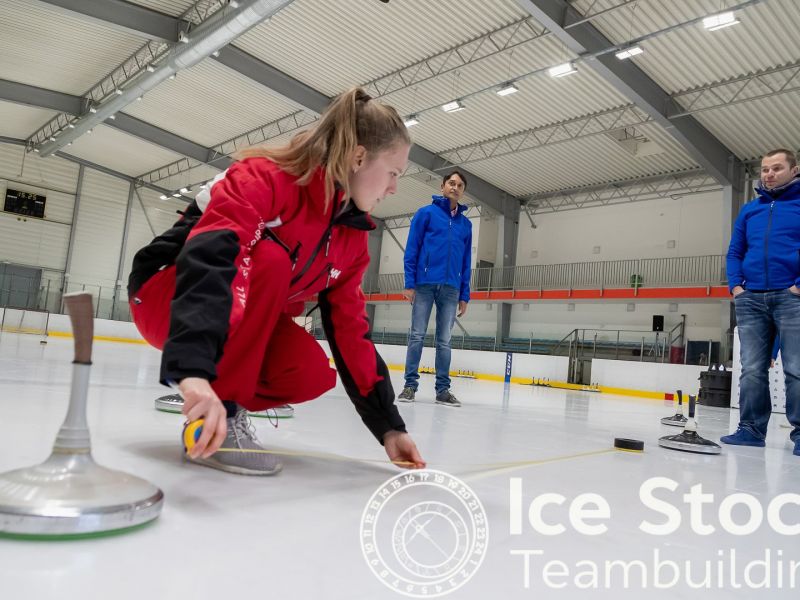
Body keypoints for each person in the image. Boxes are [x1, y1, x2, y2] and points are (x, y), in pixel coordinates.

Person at [128, 87, 426, 475]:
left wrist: (389, 427)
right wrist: (193, 372)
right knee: (270, 258)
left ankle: (218, 404)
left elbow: (352, 332)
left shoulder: (352, 241)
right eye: (393, 173)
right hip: (167, 294)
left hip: (240, 318)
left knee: (309, 372)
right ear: (357, 157)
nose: (393, 188)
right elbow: (212, 260)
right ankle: (225, 412)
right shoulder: (267, 179)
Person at [722, 148, 800, 457]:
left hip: (791, 297)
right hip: (750, 297)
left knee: (796, 368)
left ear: (794, 170)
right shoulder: (750, 210)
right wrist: (736, 287)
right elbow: (734, 252)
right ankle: (751, 431)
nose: (769, 174)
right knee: (752, 369)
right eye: (765, 169)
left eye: (777, 168)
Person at [397, 171, 472, 407]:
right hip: (424, 284)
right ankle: (410, 386)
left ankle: (443, 390)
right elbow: (412, 249)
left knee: (445, 341)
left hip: (451, 288)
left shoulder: (466, 224)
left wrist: (465, 294)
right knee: (417, 335)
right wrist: (410, 283)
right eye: (451, 183)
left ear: (462, 191)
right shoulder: (426, 214)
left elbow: (466, 260)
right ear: (442, 187)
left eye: (460, 185)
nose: (455, 187)